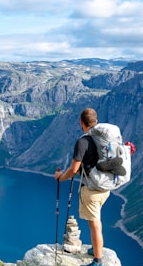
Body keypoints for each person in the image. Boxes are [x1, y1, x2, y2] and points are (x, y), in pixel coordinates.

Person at [54, 108, 110, 266]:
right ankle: (95, 248)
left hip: (92, 190)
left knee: (94, 224)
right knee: (97, 220)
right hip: (106, 187)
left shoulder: (83, 141)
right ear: (95, 121)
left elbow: (73, 169)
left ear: (81, 122)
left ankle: (98, 260)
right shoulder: (104, 137)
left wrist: (60, 178)